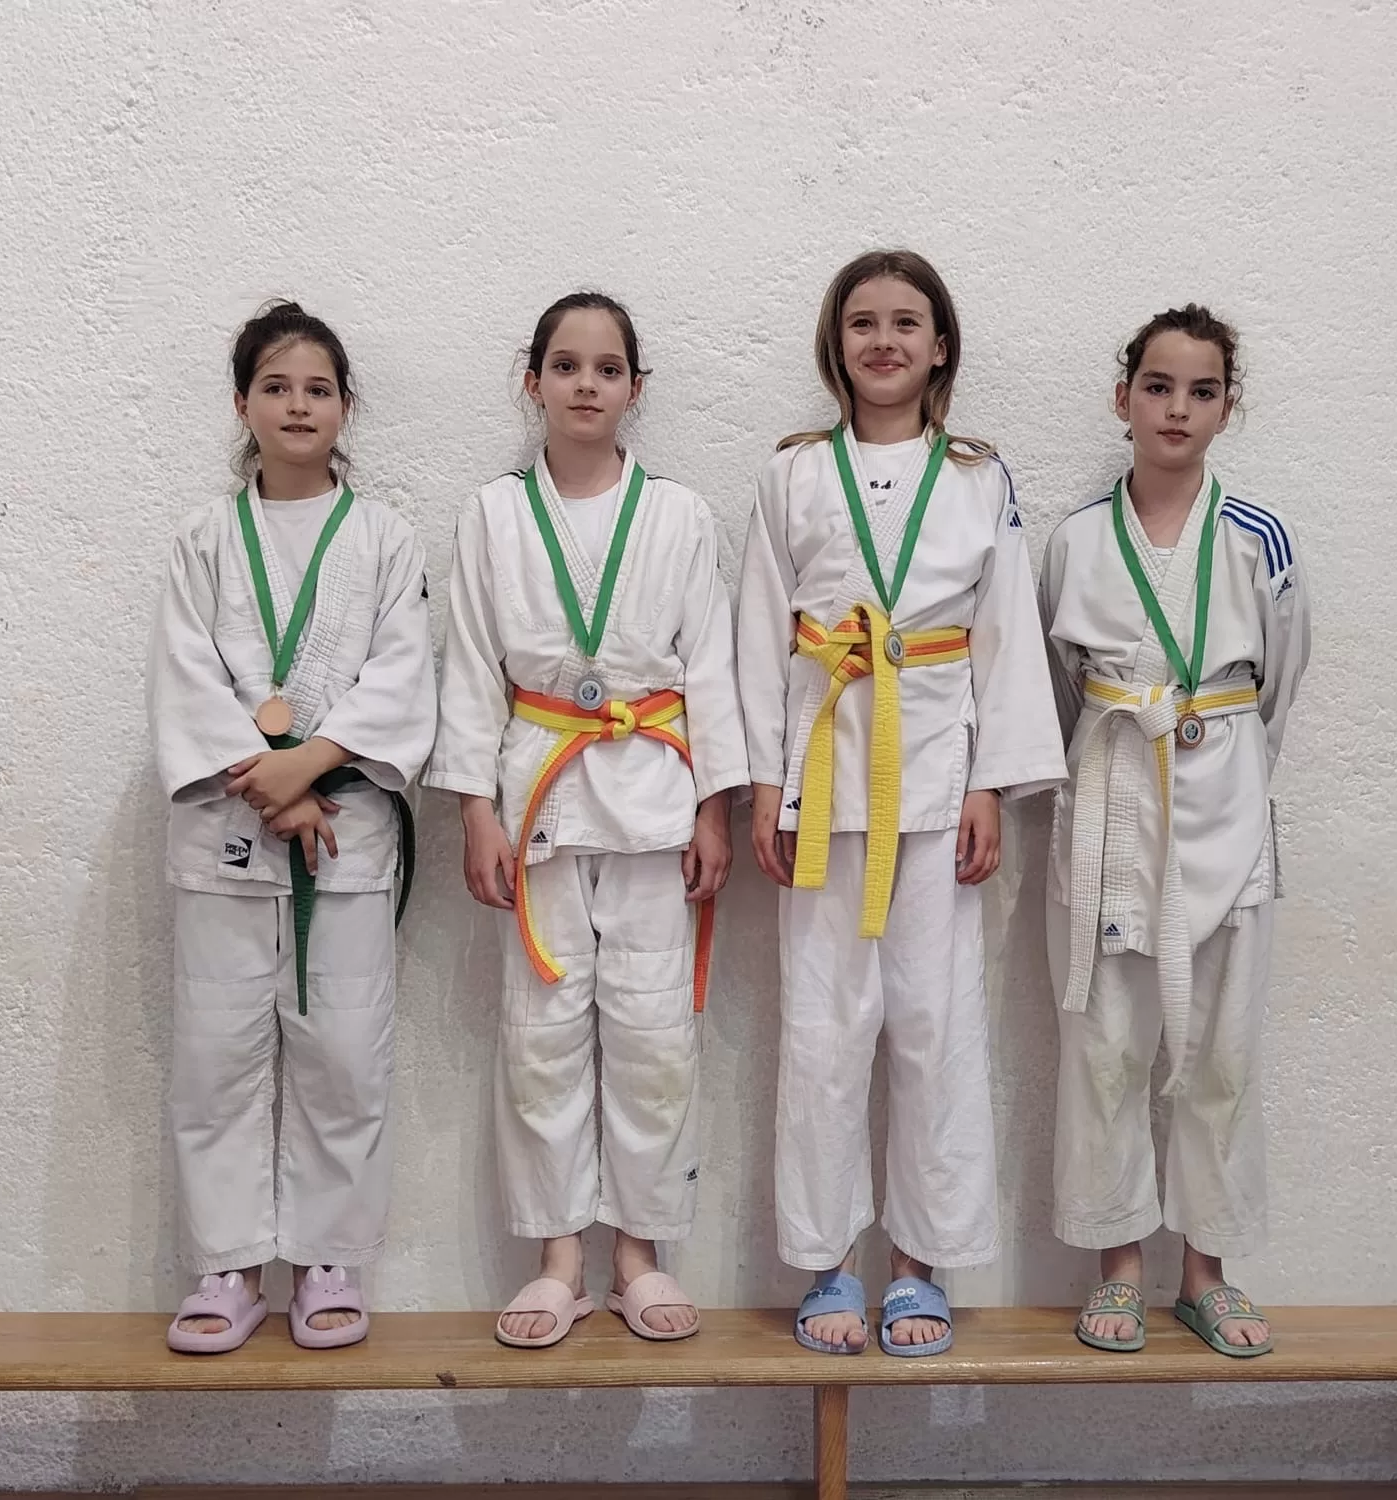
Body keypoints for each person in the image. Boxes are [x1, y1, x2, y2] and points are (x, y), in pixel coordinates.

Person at [736, 250, 1066, 1357]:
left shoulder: (977, 477)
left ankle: (920, 1264)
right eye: (863, 322)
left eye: (905, 322)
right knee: (824, 1027)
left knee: (934, 1022)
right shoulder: (791, 474)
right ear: (835, 344)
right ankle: (827, 1261)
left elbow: (1003, 633)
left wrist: (989, 785)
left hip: (933, 774)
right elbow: (759, 632)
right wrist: (767, 787)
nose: (883, 341)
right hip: (823, 772)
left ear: (940, 346)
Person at [429, 292, 748, 1348]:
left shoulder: (680, 516)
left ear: (634, 390)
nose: (585, 385)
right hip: (539, 798)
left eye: (607, 369)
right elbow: (470, 666)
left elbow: (711, 669)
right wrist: (474, 808)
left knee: (656, 1037)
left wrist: (714, 810)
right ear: (532, 383)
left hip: (655, 798)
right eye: (564, 366)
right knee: (541, 1037)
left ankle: (640, 1254)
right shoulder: (492, 514)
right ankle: (559, 1258)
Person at [149, 300, 435, 1353]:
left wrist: (310, 765)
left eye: (318, 388)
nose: (298, 405)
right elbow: (185, 675)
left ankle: (328, 1260)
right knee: (214, 1054)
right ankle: (225, 1265)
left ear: (345, 406)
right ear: (242, 404)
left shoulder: (384, 538)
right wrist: (273, 784)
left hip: (342, 829)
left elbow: (402, 672)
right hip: (227, 830)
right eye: (276, 386)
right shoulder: (204, 539)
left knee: (344, 1053)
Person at [1041, 304, 1310, 1357]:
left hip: (1225, 794)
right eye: (1157, 386)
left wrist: (1220, 757)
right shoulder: (1074, 540)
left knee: (1221, 1049)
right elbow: (1060, 691)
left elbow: (1278, 683)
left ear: (1227, 409)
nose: (1177, 408)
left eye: (1202, 391)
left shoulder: (1257, 539)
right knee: (1106, 1045)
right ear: (1123, 398)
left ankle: (1206, 1270)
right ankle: (1116, 1265)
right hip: (1113, 797)